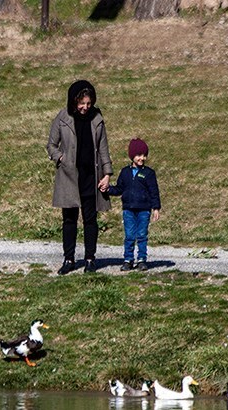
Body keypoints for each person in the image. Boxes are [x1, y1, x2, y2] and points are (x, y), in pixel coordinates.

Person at [46, 80, 113, 274]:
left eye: (88, 103)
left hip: (91, 178)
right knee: (69, 220)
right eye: (82, 103)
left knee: (91, 220)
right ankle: (69, 260)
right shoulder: (62, 117)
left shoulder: (97, 118)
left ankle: (90, 259)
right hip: (69, 177)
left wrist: (107, 174)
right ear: (74, 101)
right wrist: (61, 158)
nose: (85, 107)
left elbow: (103, 149)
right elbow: (51, 145)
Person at [104, 137, 161, 272]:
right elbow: (119, 189)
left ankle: (142, 259)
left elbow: (154, 191)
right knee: (129, 235)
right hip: (128, 209)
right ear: (132, 156)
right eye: (138, 155)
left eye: (144, 155)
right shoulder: (125, 172)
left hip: (144, 210)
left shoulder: (149, 173)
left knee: (141, 235)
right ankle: (128, 259)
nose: (142, 158)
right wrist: (108, 190)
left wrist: (156, 208)